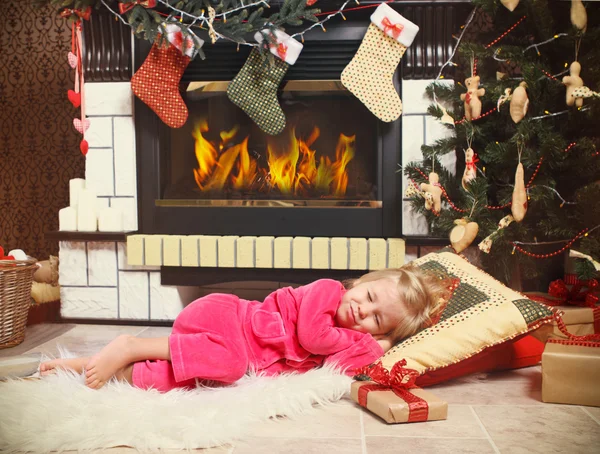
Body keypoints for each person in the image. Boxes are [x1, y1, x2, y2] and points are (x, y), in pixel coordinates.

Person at [40, 265, 449, 392]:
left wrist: (375, 347)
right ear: (362, 283)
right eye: (370, 297)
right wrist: (362, 335)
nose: (363, 311)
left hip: (220, 352)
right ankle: (131, 343)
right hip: (225, 318)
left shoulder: (356, 339)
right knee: (232, 364)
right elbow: (312, 337)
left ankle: (77, 366)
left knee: (176, 380)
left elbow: (342, 366)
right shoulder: (326, 292)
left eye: (377, 319)